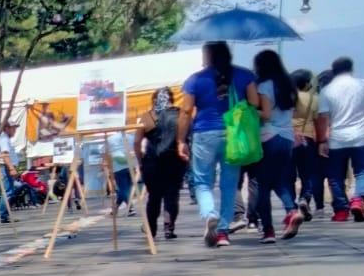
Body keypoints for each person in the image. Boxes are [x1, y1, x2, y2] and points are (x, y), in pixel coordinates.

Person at [177, 41, 259, 248]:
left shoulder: (195, 80)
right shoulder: (245, 75)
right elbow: (254, 103)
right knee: (229, 184)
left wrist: (180, 140)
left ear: (208, 55)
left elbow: (186, 111)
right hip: (234, 135)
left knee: (202, 181)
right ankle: (223, 232)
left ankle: (209, 214)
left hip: (204, 133)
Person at [316, 56, 364, 222]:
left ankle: (341, 211)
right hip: (361, 138)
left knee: (335, 176)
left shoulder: (326, 91)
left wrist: (322, 141)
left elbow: (323, 118)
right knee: (363, 172)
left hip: (337, 140)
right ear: (351, 69)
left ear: (334, 71)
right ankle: (358, 200)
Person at [250, 49, 301, 242]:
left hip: (269, 137)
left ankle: (268, 230)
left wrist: (249, 111)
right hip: (287, 138)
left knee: (262, 184)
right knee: (278, 180)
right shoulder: (288, 85)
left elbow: (266, 115)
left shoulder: (264, 86)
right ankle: (292, 211)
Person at [134, 86, 185, 240]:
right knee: (172, 195)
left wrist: (140, 160)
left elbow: (136, 142)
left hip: (152, 161)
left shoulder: (146, 117)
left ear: (154, 100)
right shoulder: (179, 114)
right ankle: (169, 227)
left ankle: (151, 229)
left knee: (154, 197)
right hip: (174, 160)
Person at [291, 69, 322, 219]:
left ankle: (291, 206)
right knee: (307, 174)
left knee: (288, 175)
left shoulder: (286, 97)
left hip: (288, 139)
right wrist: (322, 141)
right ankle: (304, 198)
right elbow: (318, 121)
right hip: (307, 139)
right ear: (306, 83)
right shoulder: (314, 99)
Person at [0, 121, 19, 223]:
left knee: (8, 191)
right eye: (13, 128)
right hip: (5, 167)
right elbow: (5, 155)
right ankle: (4, 215)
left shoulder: (4, 138)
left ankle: (5, 215)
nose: (15, 130)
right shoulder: (4, 139)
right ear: (6, 128)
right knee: (8, 192)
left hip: (5, 167)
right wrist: (11, 168)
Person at [104, 131, 135, 215]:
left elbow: (106, 153)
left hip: (118, 167)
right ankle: (115, 207)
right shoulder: (131, 137)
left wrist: (108, 166)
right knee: (126, 189)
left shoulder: (110, 139)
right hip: (131, 165)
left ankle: (130, 208)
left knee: (123, 189)